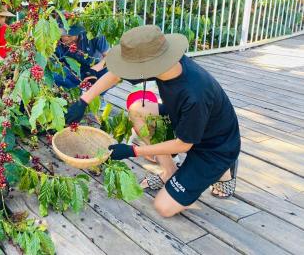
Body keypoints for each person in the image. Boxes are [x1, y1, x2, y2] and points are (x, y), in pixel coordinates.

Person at [65, 25, 240, 217]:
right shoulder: (165, 63)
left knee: (164, 207)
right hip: (185, 120)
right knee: (138, 110)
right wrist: (83, 101)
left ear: (147, 66)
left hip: (214, 146)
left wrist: (133, 150)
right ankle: (170, 172)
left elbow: (184, 144)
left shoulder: (195, 94)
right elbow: (115, 74)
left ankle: (224, 168)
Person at [54, 23, 110, 89]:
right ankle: (74, 90)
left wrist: (94, 70)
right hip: (74, 70)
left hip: (95, 67)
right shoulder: (57, 41)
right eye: (62, 35)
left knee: (109, 73)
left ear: (78, 33)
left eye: (69, 36)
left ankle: (98, 94)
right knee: (56, 75)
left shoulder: (93, 34)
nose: (65, 38)